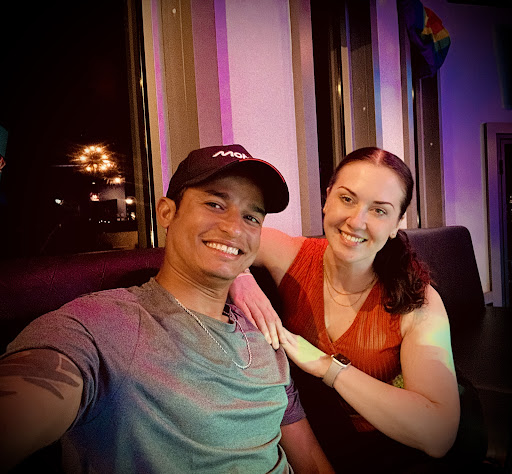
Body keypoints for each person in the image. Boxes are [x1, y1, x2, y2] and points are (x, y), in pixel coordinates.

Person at [0, 144, 333, 473]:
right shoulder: (103, 325)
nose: (234, 228)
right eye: (215, 204)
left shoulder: (264, 334)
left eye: (251, 217)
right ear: (166, 212)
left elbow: (310, 460)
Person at [230, 147, 461, 472]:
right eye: (347, 199)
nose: (356, 221)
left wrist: (327, 366)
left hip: (387, 446)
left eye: (379, 210)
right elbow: (222, 236)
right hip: (308, 436)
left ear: (396, 223)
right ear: (327, 199)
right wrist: (240, 278)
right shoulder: (291, 256)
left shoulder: (417, 301)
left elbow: (439, 434)